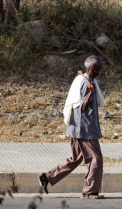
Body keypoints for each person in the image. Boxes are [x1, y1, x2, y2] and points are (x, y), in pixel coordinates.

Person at [38, 55, 105, 199]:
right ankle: (90, 191)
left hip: (77, 127)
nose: (101, 69)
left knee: (75, 159)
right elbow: (81, 107)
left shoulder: (86, 80)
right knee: (96, 159)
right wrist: (90, 93)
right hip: (85, 129)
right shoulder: (85, 84)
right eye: (99, 67)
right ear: (93, 69)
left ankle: (47, 177)